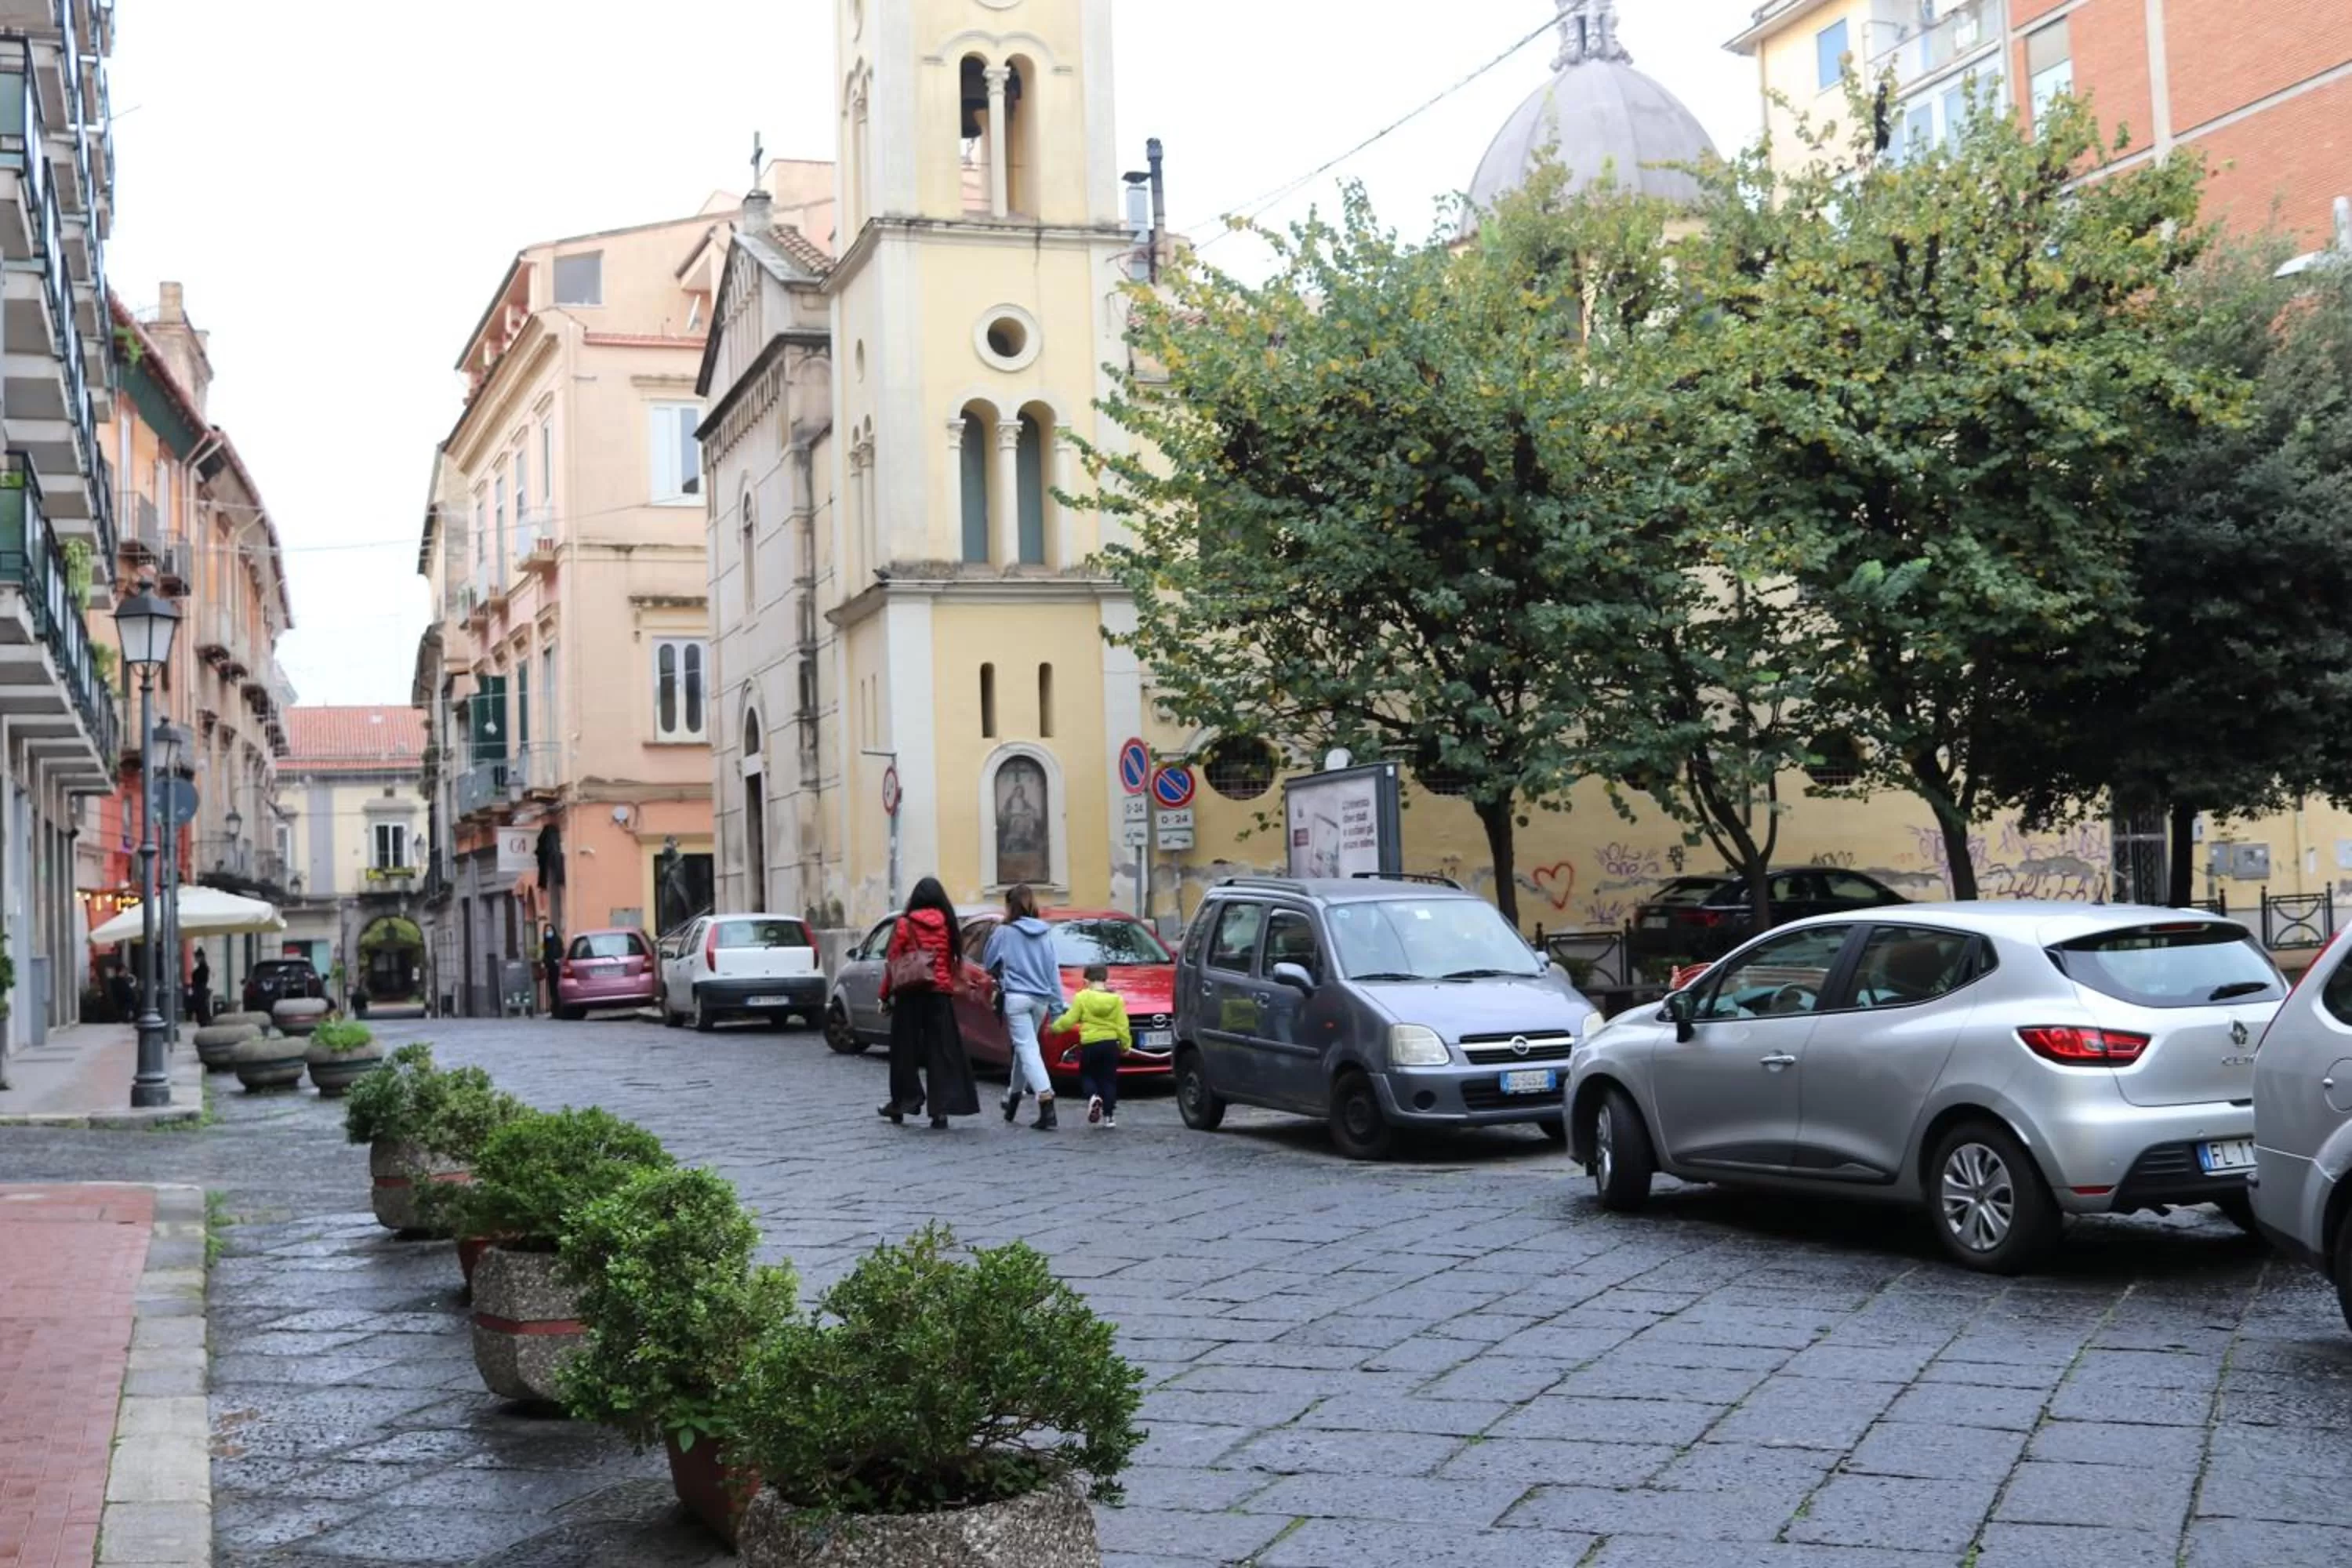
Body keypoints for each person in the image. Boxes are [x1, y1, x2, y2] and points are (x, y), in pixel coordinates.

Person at [878, 877, 982, 1129]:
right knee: (941, 1052)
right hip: (939, 995)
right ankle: (941, 1110)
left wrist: (884, 995)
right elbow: (951, 962)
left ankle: (903, 1103)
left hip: (910, 994)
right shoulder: (947, 924)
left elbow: (893, 962)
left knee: (904, 1052)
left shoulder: (904, 924)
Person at [981, 885, 1064, 1131]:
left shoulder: (1004, 932)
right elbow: (1053, 973)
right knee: (1023, 1049)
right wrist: (1057, 1009)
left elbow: (989, 962)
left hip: (1017, 997)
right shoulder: (1044, 933)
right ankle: (1013, 1098)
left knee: (1027, 1049)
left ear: (1010, 905)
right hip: (1041, 1000)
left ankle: (1046, 1099)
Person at [1051, 963, 1133, 1129]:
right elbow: (1123, 1025)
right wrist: (1126, 1045)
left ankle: (1093, 1096)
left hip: (1090, 1043)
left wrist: (1054, 1028)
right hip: (1110, 1044)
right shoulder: (1116, 1000)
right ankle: (1109, 1117)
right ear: (1105, 979)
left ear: (1086, 980)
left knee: (1087, 1074)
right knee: (1109, 1079)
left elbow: (1070, 1019)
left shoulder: (1082, 997)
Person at [540, 924, 563, 1015]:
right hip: (550, 968)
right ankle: (554, 1010)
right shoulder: (546, 942)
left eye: (550, 930)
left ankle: (558, 1010)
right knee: (552, 990)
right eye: (547, 931)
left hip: (557, 968)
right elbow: (545, 954)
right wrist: (544, 962)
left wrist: (558, 960)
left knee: (557, 989)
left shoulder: (558, 940)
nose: (548, 932)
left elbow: (561, 952)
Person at [189, 947, 212, 1026]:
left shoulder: (202, 969)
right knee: (202, 1011)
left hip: (200, 992)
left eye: (197, 957)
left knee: (201, 1011)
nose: (196, 959)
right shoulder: (202, 968)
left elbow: (200, 980)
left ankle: (205, 1023)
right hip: (200, 992)